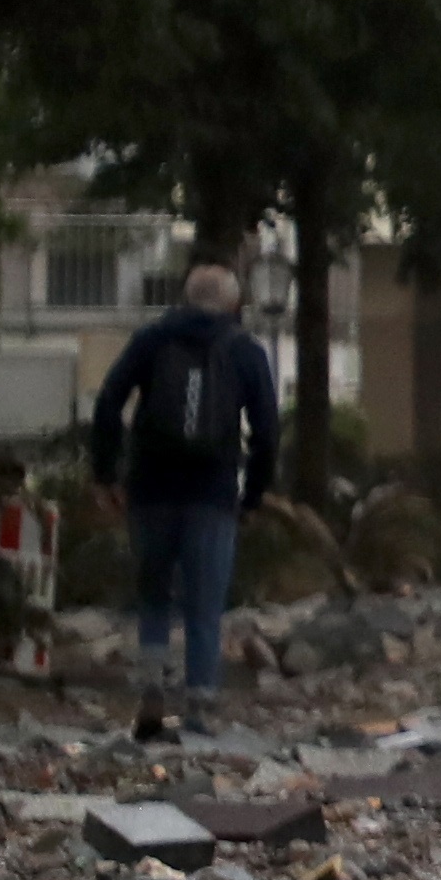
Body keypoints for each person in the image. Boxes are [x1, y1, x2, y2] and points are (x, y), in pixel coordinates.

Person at [87, 263, 279, 741]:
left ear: (185, 299)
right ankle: (199, 708)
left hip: (150, 490)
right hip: (212, 496)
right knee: (204, 605)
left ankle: (152, 695)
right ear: (235, 305)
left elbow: (109, 401)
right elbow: (267, 434)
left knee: (153, 598)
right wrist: (253, 495)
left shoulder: (152, 340)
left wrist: (106, 473)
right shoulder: (245, 351)